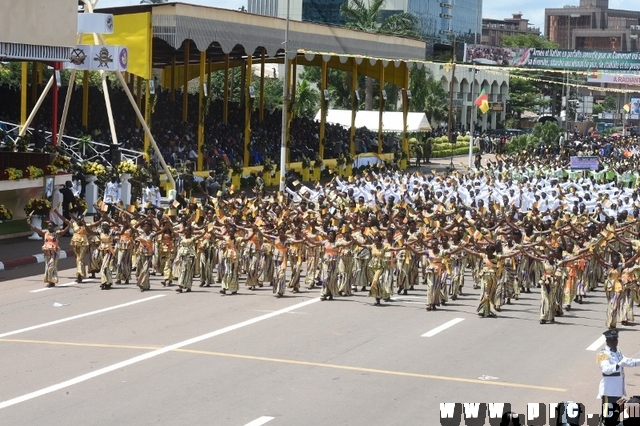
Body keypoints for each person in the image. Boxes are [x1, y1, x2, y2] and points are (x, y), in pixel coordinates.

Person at [597, 329, 640, 426]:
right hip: (609, 391)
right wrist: (618, 365)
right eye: (611, 340)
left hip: (617, 391)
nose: (614, 342)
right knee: (608, 417)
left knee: (614, 416)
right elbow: (605, 369)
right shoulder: (602, 354)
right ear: (607, 341)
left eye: (615, 339)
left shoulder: (617, 351)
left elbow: (628, 361)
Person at [27, 211, 71, 288]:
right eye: (48, 226)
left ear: (54, 227)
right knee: (48, 267)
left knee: (51, 266)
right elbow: (37, 230)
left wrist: (68, 225)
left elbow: (65, 230)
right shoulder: (45, 233)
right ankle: (52, 281)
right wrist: (30, 224)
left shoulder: (57, 233)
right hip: (47, 252)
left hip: (54, 252)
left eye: (51, 226)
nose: (49, 227)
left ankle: (52, 280)